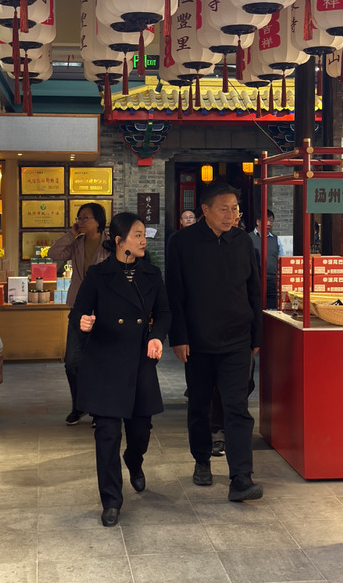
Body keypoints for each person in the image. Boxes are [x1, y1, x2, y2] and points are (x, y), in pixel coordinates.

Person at [166, 182, 264, 503]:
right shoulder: (182, 242)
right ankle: (202, 460)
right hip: (198, 341)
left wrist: (256, 336)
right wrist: (179, 337)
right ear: (205, 210)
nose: (230, 215)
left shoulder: (243, 242)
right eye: (224, 208)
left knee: (237, 407)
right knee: (199, 405)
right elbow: (175, 294)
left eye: (234, 209)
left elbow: (254, 291)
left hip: (237, 339)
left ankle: (241, 477)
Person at [70, 212, 169, 527]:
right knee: (108, 434)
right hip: (105, 361)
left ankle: (134, 461)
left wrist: (156, 337)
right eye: (137, 235)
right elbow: (78, 311)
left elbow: (164, 313)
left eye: (143, 234)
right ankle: (111, 500)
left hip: (139, 361)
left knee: (140, 431)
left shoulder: (151, 274)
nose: (143, 240)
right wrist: (84, 321)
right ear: (119, 240)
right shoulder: (99, 274)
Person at [48, 202, 109, 425]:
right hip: (79, 307)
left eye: (85, 218)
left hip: (104, 309)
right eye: (79, 218)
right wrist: (71, 234)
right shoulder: (77, 243)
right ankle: (79, 405)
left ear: (98, 221)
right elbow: (54, 254)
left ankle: (99, 408)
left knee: (100, 361)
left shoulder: (110, 244)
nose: (81, 222)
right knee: (72, 362)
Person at [249, 209, 281, 310]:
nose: (269, 224)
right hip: (254, 281)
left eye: (271, 221)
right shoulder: (248, 238)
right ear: (258, 222)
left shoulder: (276, 239)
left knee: (272, 310)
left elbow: (281, 260)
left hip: (272, 282)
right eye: (266, 221)